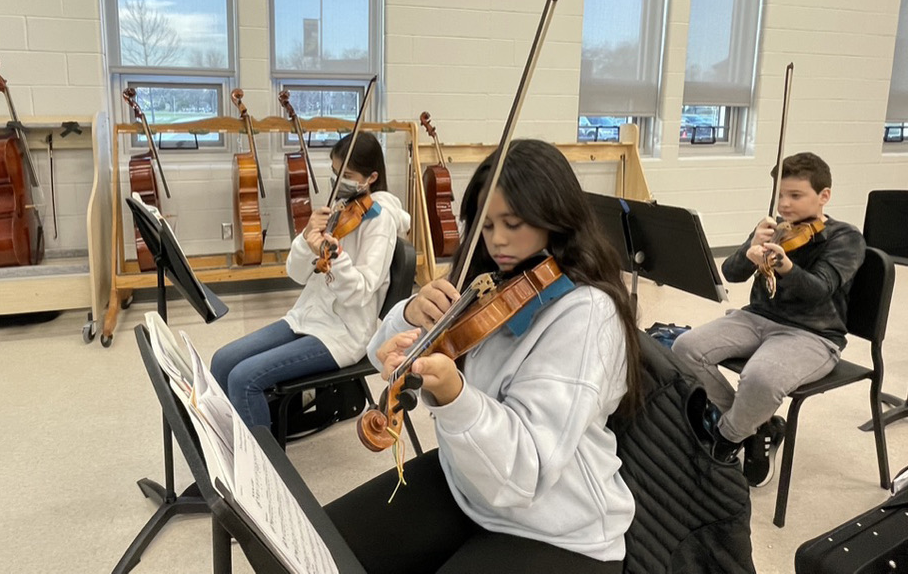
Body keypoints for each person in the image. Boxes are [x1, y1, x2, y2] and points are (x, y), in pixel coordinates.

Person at [325, 139, 642, 574]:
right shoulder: (493, 281)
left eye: (513, 223)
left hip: (556, 527)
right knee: (324, 544)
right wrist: (408, 315)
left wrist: (456, 397)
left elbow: (524, 473)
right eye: (487, 225)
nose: (498, 241)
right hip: (470, 484)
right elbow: (376, 348)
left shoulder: (587, 315)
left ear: (557, 220)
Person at [672, 152, 866, 487]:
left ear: (824, 196)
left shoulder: (845, 238)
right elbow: (731, 273)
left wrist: (786, 266)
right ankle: (755, 424)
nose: (785, 205)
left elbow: (819, 289)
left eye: (795, 196)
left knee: (760, 378)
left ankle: (727, 439)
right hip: (757, 318)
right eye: (780, 195)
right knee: (684, 348)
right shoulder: (775, 228)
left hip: (812, 334)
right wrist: (750, 247)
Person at [210, 131, 410, 429]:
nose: (338, 181)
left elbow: (360, 293)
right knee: (222, 361)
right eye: (335, 172)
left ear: (371, 178)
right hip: (307, 317)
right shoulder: (343, 207)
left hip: (342, 333)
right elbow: (296, 273)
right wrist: (306, 240)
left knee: (244, 378)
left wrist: (334, 256)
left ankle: (260, 465)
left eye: (348, 174)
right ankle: (230, 439)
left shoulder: (379, 222)